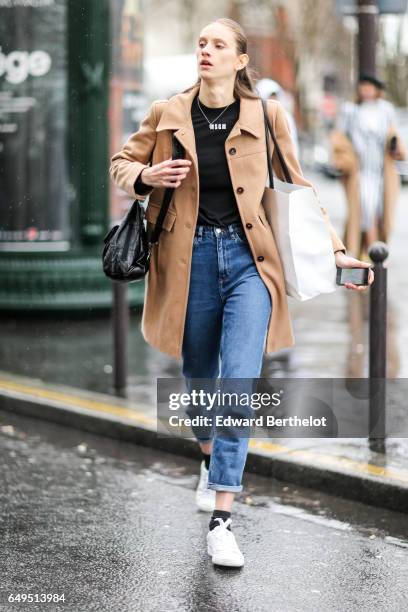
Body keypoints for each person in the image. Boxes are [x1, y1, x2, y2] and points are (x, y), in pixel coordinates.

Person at [109, 17, 374, 568]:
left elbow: (298, 189)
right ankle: (208, 457)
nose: (206, 51)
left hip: (252, 262)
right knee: (199, 374)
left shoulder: (267, 116)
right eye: (202, 43)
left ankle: (223, 515)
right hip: (189, 261)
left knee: (237, 382)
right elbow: (122, 164)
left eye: (218, 44)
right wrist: (147, 177)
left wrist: (334, 249)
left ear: (240, 60)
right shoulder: (168, 113)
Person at [330, 73, 406, 260]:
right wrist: (344, 160)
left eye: (370, 87)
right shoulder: (351, 110)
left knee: (382, 213)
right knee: (365, 211)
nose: (366, 90)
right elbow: (339, 138)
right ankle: (371, 252)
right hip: (360, 171)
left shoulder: (386, 110)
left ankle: (373, 250)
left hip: (381, 171)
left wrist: (395, 146)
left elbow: (394, 137)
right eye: (363, 86)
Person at [256, 77, 300, 159]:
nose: (273, 100)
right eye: (270, 97)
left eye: (275, 97)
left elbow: (292, 144)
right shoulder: (254, 117)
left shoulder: (286, 117)